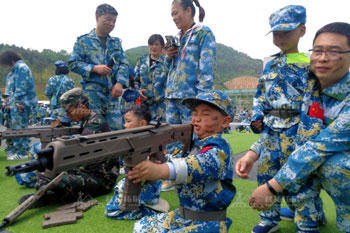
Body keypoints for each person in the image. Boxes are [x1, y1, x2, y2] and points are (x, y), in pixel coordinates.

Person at [249, 22, 350, 233]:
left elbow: (317, 148)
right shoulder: (309, 84)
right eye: (318, 50)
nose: (323, 58)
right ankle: (308, 212)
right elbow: (285, 126)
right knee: (296, 155)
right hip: (308, 150)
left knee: (332, 165)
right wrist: (255, 150)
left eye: (334, 51)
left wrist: (271, 188)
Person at [236, 5, 325, 233]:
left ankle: (306, 222)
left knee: (301, 178)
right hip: (271, 130)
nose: (280, 37)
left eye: (286, 31)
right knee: (267, 172)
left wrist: (306, 138)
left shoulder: (310, 65)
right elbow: (260, 97)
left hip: (297, 130)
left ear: (302, 30)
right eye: (276, 33)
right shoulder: (270, 65)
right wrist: (257, 117)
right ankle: (269, 218)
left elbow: (313, 105)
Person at [131, 91, 236, 233]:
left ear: (225, 122)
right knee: (140, 227)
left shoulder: (220, 147)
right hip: (183, 216)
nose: (196, 119)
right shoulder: (196, 144)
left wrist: (161, 170)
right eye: (194, 114)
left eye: (205, 114)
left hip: (208, 223)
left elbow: (197, 165)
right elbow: (178, 160)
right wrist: (161, 159)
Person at [19, 88, 119, 206]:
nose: (68, 115)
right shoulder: (88, 121)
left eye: (69, 111)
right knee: (47, 170)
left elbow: (79, 150)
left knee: (59, 179)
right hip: (87, 171)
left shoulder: (96, 123)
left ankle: (50, 197)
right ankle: (47, 193)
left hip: (102, 179)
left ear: (81, 106)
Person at [69, 3, 129, 131]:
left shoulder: (116, 43)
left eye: (114, 21)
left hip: (112, 95)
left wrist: (120, 83)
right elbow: (73, 63)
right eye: (108, 19)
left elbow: (123, 64)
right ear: (97, 17)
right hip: (92, 96)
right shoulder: (83, 41)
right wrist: (94, 68)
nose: (111, 24)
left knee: (116, 131)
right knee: (93, 130)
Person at [105, 104, 169, 220]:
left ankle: (152, 209)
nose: (125, 125)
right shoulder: (131, 140)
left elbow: (159, 163)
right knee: (113, 207)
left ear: (142, 124)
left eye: (128, 121)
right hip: (137, 183)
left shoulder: (150, 140)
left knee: (112, 211)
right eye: (124, 121)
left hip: (147, 186)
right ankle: (149, 205)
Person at [165, 0, 216, 125]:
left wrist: (201, 99)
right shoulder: (176, 38)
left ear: (188, 10)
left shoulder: (202, 33)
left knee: (193, 137)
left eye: (175, 13)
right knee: (171, 139)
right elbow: (166, 69)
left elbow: (207, 69)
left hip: (191, 98)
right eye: (172, 15)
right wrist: (168, 56)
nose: (173, 18)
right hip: (172, 97)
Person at [0, 50, 38, 160]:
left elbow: (21, 89)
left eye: (5, 63)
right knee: (12, 128)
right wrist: (7, 102)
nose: (5, 66)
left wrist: (17, 103)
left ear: (10, 60)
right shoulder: (12, 72)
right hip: (12, 105)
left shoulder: (22, 68)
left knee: (20, 129)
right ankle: (13, 150)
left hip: (20, 104)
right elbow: (9, 91)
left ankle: (22, 152)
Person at [134, 34, 168, 121]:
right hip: (144, 105)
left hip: (161, 105)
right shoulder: (141, 61)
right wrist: (137, 91)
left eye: (157, 44)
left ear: (162, 46)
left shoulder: (167, 63)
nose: (154, 47)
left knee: (161, 131)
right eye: (151, 44)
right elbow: (135, 80)